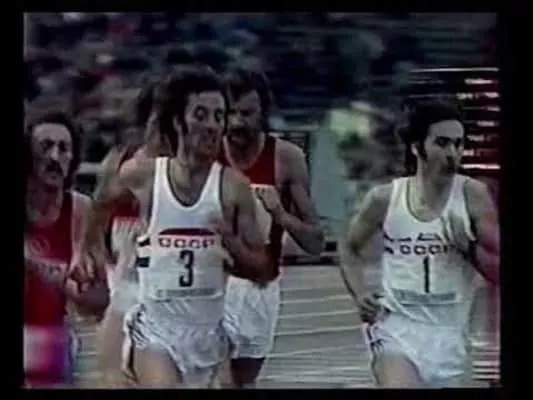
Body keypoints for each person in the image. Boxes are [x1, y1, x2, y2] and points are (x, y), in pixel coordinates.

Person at [76, 64, 274, 388]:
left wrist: (233, 246)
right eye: (201, 115)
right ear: (178, 122)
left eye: (219, 116)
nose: (212, 126)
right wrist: (87, 250)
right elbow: (101, 203)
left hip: (208, 333)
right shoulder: (144, 176)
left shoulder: (233, 188)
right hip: (155, 330)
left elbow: (262, 271)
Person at [339, 100, 500, 388]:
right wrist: (360, 294)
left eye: (458, 144)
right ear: (416, 147)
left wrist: (469, 249)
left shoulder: (473, 196)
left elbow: (497, 271)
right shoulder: (385, 198)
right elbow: (349, 247)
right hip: (396, 330)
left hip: (450, 336)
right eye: (442, 143)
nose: (452, 153)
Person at [218, 66, 324, 388]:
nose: (237, 123)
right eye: (230, 113)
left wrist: (281, 215)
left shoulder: (286, 158)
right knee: (215, 379)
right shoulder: (205, 154)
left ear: (263, 113)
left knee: (242, 383)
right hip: (211, 284)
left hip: (259, 289)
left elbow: (315, 243)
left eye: (247, 113)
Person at [94, 80, 175, 388]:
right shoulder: (122, 160)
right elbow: (99, 209)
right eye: (157, 119)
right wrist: (97, 256)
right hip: (128, 255)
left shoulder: (186, 164)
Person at [24, 111, 109, 388]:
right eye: (45, 146)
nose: (55, 156)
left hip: (60, 340)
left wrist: (47, 272)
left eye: (64, 148)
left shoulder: (81, 210)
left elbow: (100, 300)